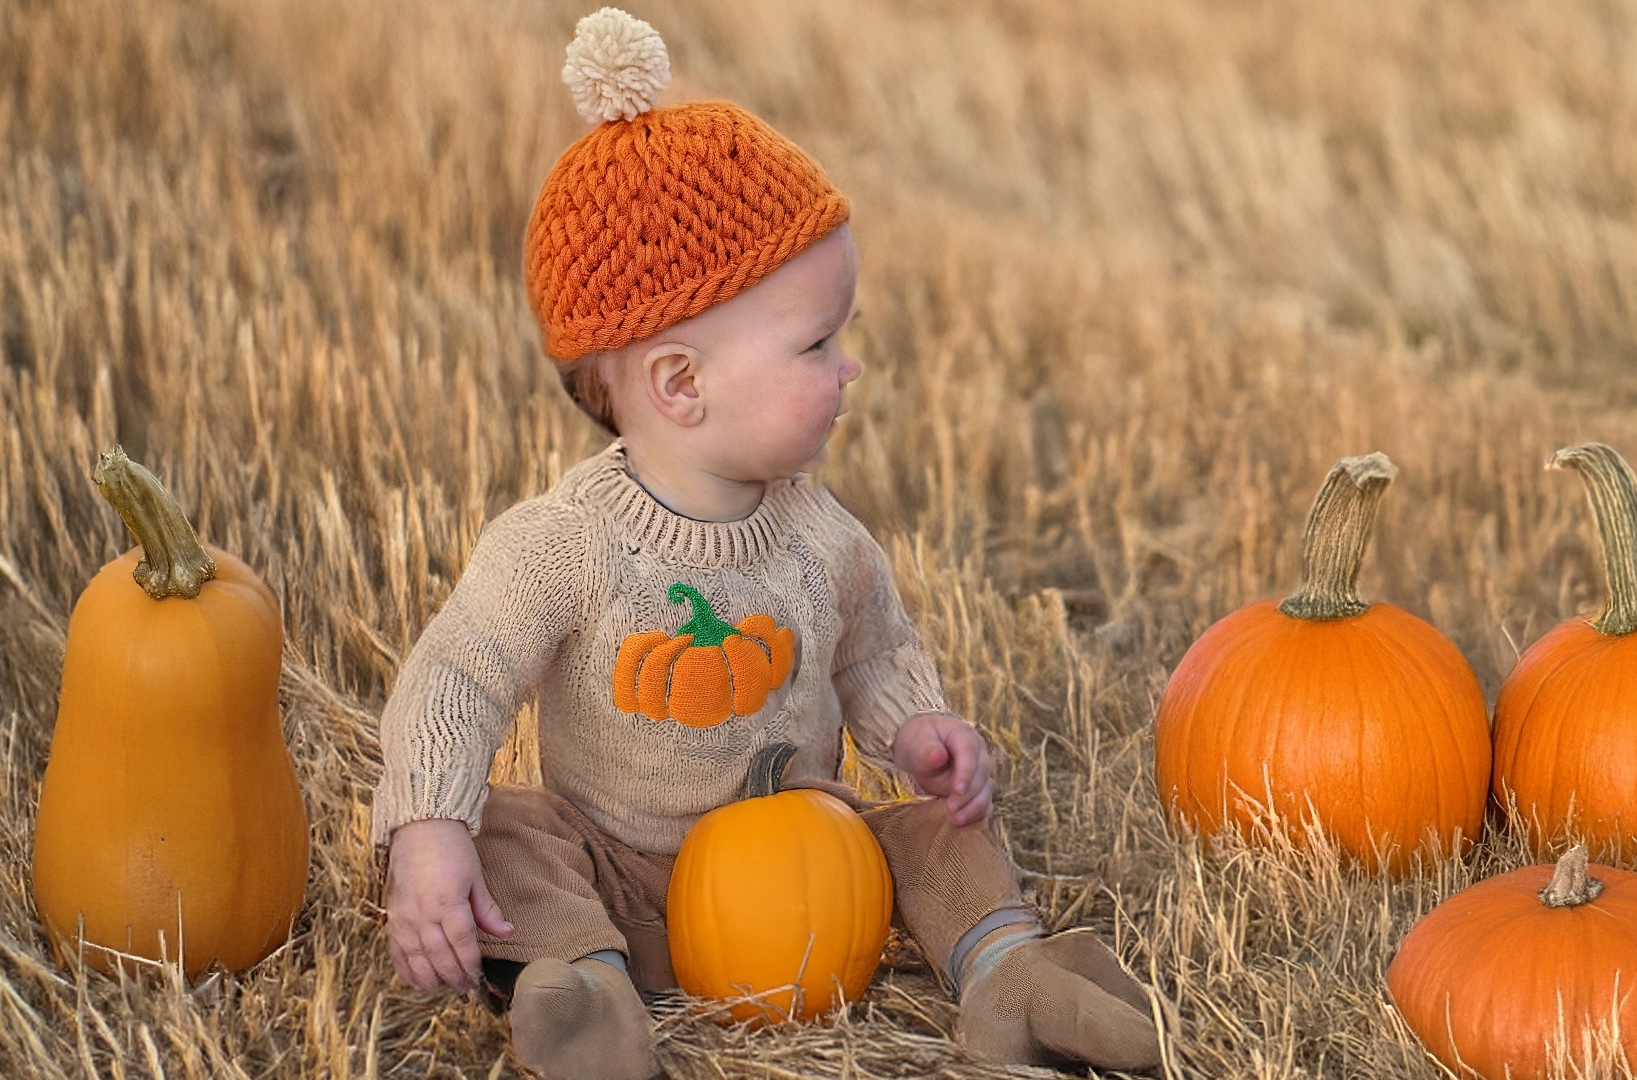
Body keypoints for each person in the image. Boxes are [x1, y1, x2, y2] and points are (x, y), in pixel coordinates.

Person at [371, 9, 1164, 1080]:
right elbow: (458, 675)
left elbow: (871, 648)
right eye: (818, 342)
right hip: (617, 868)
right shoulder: (566, 545)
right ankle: (593, 995)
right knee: (505, 831)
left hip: (802, 865)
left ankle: (1011, 972)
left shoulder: (817, 533)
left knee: (943, 832)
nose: (850, 369)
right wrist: (428, 828)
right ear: (681, 385)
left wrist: (918, 726)